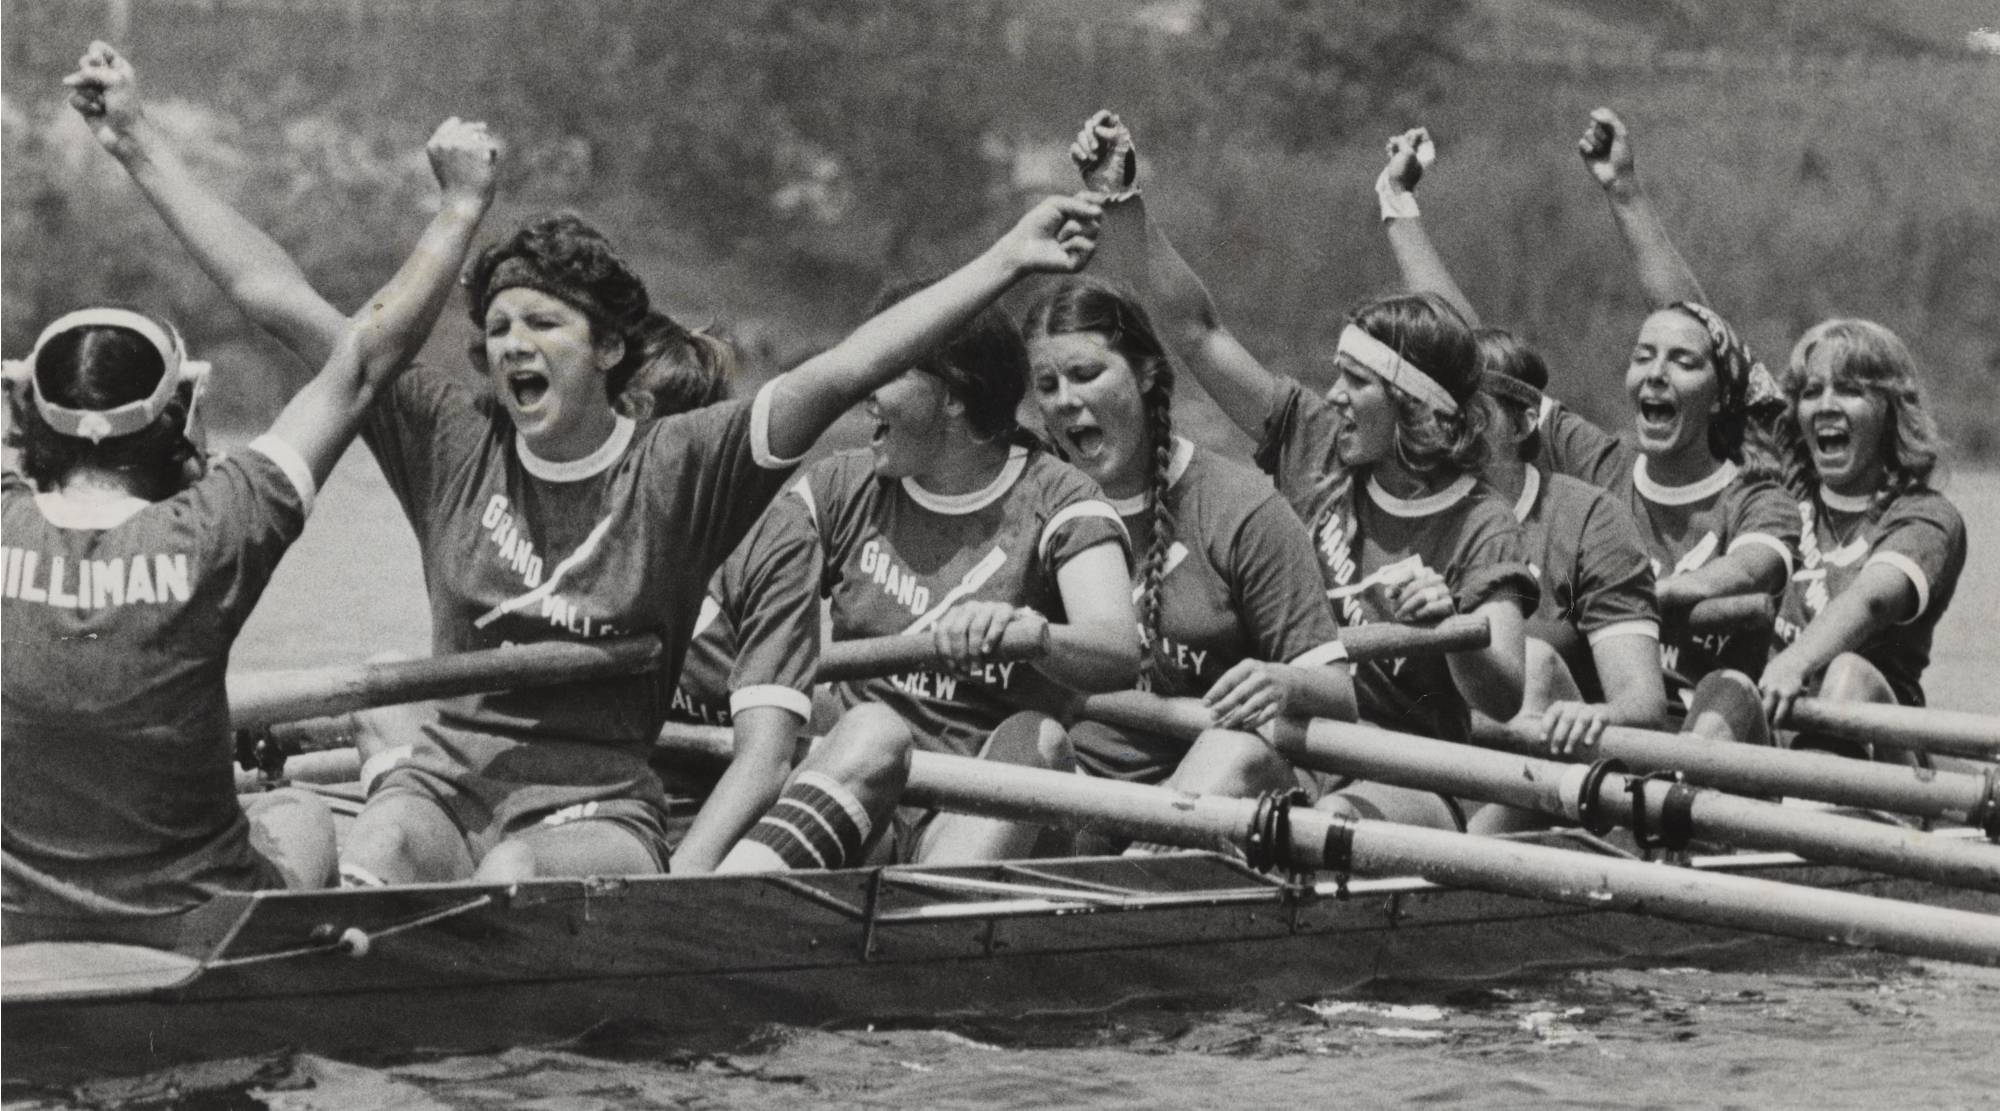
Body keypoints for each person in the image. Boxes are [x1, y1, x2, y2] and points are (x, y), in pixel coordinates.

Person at [83, 42, 1108, 883]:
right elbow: (278, 300)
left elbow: (843, 368)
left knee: (515, 879)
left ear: (609, 348)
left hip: (594, 815)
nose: (513, 345)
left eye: (543, 323)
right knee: (381, 841)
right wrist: (135, 141)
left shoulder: (683, 464)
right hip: (439, 794)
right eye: (497, 328)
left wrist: (1006, 261)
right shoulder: (448, 436)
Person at [2, 57, 499, 942]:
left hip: (19, 923)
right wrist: (459, 208)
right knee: (303, 813)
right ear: (177, 428)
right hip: (190, 923)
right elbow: (361, 361)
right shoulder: (217, 527)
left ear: (28, 422)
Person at [1069, 112, 1538, 831]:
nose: (1335, 397)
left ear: (1417, 408)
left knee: (1330, 813)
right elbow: (1197, 332)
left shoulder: (1481, 522)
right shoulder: (1316, 444)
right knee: (1227, 756)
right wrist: (1123, 202)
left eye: (1357, 383)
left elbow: (1504, 696)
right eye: (1336, 377)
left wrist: (1452, 626)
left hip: (1409, 781)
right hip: (1298, 748)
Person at [715, 276, 1139, 872]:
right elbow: (724, 584)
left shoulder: (1061, 500)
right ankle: (735, 896)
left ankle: (918, 928)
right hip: (864, 790)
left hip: (983, 812)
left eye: (885, 368)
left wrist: (1030, 632)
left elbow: (1118, 649)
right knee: (865, 727)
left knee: (1037, 736)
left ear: (953, 395)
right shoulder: (840, 486)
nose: (862, 389)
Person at [1370, 126, 1667, 766]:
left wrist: (1589, 717)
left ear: (1524, 422)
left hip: (1564, 766)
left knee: (1529, 663)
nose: (1450, 422)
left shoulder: (1585, 509)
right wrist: (1395, 204)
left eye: (1470, 408)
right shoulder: (1408, 503)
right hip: (1441, 761)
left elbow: (1644, 707)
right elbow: (1457, 339)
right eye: (1435, 404)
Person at [1021, 276, 1354, 797]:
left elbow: (1339, 695)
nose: (1065, 401)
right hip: (1084, 786)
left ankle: (1147, 861)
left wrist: (1283, 682)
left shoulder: (1242, 510)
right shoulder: (1029, 504)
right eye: (1046, 386)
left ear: (1148, 372)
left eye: (1085, 374)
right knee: (1027, 741)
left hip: (1221, 785)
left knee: (1232, 751)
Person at [1552, 108, 1801, 713]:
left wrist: (1649, 596)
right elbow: (1478, 367)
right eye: (1643, 356)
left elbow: (1749, 571)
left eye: (1683, 365)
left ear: (1720, 395)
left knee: (1726, 692)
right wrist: (1400, 211)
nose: (1657, 373)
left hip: (1715, 736)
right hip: (1608, 735)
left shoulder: (1760, 497)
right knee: (1539, 658)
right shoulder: (1597, 466)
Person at [1747, 320, 1964, 757]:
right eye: (1810, 392)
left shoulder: (1925, 516)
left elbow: (1871, 600)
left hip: (1880, 757)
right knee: (1727, 688)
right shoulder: (1788, 488)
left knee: (1846, 675)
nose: (1825, 405)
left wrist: (1795, 661)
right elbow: (1708, 335)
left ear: (1890, 410)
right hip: (1780, 743)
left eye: (1849, 390)